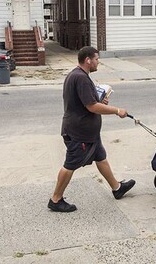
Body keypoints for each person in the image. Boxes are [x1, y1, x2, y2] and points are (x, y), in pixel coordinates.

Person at [48, 46, 135, 212]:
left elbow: (87, 102)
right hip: (78, 133)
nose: (98, 63)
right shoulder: (80, 78)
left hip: (89, 133)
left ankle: (117, 188)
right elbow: (91, 107)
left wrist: (100, 101)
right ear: (88, 60)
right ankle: (55, 199)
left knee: (100, 157)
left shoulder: (78, 75)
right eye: (96, 59)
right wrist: (117, 111)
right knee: (70, 165)